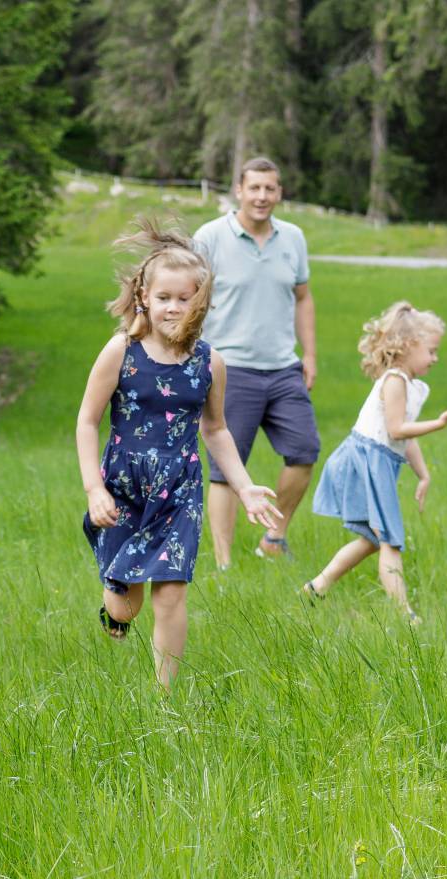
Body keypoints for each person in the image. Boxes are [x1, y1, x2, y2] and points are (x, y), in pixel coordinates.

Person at [77, 219, 284, 687]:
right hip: (122, 489)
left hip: (179, 490)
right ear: (143, 297)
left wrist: (246, 487)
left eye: (183, 297)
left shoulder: (210, 362)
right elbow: (88, 420)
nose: (173, 307)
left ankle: (164, 697)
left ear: (200, 301)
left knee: (171, 593)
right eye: (163, 297)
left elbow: (216, 431)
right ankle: (114, 607)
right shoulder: (121, 352)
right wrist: (94, 488)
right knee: (125, 604)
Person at [302, 302, 447, 624]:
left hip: (378, 461)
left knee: (372, 540)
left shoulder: (412, 385)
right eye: (431, 351)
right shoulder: (394, 380)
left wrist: (423, 475)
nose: (435, 358)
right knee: (390, 541)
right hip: (368, 461)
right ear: (409, 346)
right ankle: (404, 614)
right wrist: (440, 423)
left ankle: (316, 587)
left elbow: (404, 439)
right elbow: (396, 430)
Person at [192, 156, 319, 569]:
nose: (262, 196)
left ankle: (273, 539)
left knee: (304, 452)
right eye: (255, 188)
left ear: (279, 193)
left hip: (284, 367)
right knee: (226, 469)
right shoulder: (210, 237)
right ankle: (225, 564)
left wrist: (310, 354)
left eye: (270, 189)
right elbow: (187, 296)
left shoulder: (293, 238)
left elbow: (303, 297)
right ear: (239, 191)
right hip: (229, 369)